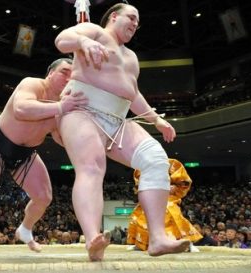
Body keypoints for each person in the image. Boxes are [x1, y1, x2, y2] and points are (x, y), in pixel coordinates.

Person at [55, 2, 190, 261]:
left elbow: (132, 92)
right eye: (131, 17)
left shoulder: (131, 57)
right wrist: (82, 43)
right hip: (82, 110)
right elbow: (63, 39)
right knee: (92, 167)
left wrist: (156, 120)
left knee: (155, 159)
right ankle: (93, 238)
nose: (134, 24)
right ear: (114, 16)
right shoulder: (94, 31)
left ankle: (158, 238)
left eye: (137, 22)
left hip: (117, 120)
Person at [0, 58, 88, 261]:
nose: (68, 78)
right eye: (64, 72)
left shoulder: (64, 106)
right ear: (50, 73)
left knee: (44, 197)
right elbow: (21, 109)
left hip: (26, 155)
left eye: (72, 75)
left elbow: (62, 139)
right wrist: (60, 107)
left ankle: (25, 228)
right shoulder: (32, 84)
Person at [127, 159, 203, 252]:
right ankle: (139, 244)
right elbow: (139, 183)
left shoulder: (172, 164)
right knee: (141, 216)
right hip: (151, 195)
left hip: (168, 196)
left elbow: (184, 181)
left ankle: (188, 242)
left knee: (173, 214)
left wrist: (175, 187)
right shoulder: (144, 166)